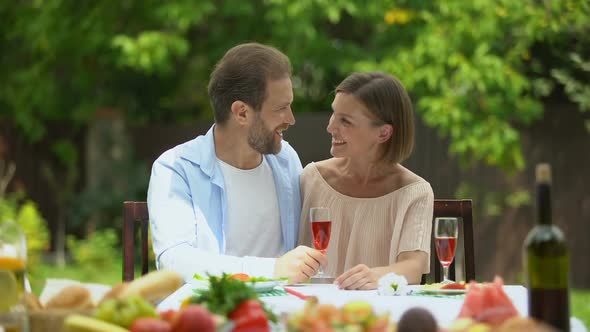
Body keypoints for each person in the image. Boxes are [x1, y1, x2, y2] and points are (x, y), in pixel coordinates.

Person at [148, 43, 326, 284]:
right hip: (212, 312)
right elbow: (174, 261)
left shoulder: (286, 159)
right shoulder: (176, 168)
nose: (291, 119)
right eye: (281, 108)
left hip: (286, 308)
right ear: (241, 112)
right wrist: (271, 270)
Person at [298, 72, 433, 290]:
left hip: (378, 316)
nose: (331, 127)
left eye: (345, 121)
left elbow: (413, 267)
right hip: (311, 313)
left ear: (383, 133)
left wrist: (376, 275)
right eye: (334, 114)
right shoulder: (311, 179)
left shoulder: (415, 192)